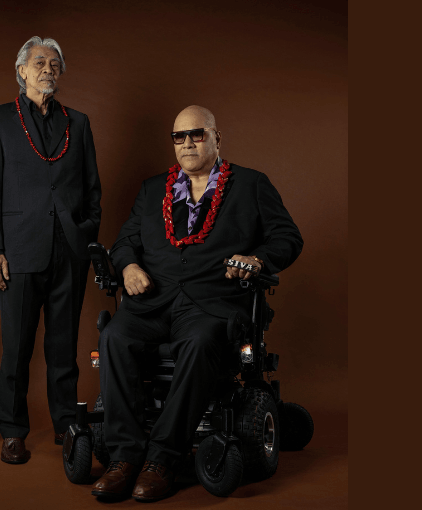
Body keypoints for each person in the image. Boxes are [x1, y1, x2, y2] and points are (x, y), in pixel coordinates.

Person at [90, 106, 304, 502]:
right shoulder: (153, 189)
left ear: (216, 138)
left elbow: (288, 238)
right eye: (179, 136)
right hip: (153, 302)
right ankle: (124, 459)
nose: (187, 142)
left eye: (197, 134)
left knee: (201, 341)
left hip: (213, 304)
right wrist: (130, 264)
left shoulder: (252, 185)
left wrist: (259, 260)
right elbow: (123, 243)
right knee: (115, 337)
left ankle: (162, 461)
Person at [0, 36, 102, 464]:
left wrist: (86, 235)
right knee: (16, 348)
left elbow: (92, 189)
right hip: (18, 251)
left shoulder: (78, 123)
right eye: (39, 63)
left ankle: (67, 421)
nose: (47, 69)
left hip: (70, 249)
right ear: (22, 72)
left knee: (64, 348)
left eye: (54, 64)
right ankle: (13, 430)